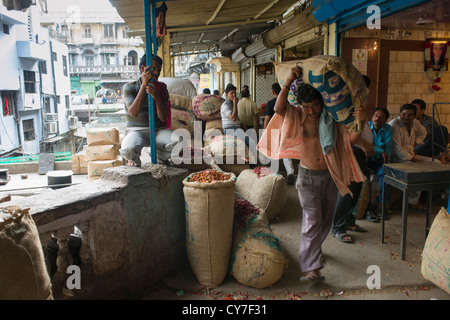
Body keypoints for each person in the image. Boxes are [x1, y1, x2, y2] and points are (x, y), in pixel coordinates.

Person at [257, 66, 366, 281]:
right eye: (307, 106)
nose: (311, 111)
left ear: (321, 103)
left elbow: (348, 142)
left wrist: (360, 121)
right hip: (306, 177)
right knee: (312, 220)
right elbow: (279, 108)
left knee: (325, 220)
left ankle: (313, 253)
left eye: (315, 105)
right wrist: (288, 79)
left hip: (330, 176)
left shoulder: (331, 118)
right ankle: (310, 267)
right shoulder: (298, 115)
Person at [120, 54, 176, 167]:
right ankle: (135, 160)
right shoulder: (129, 87)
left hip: (156, 131)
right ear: (143, 69)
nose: (156, 73)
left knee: (178, 141)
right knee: (128, 148)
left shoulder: (161, 88)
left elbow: (163, 118)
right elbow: (133, 113)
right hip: (135, 131)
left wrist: (157, 97)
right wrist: (143, 86)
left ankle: (158, 154)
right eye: (153, 69)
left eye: (158, 70)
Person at [389, 103, 429, 211]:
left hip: (412, 155)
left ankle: (420, 199)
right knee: (417, 170)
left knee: (435, 163)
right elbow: (397, 149)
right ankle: (413, 202)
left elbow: (423, 133)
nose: (406, 117)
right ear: (399, 113)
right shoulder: (394, 125)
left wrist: (416, 143)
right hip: (398, 159)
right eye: (404, 114)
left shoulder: (415, 123)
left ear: (414, 116)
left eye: (410, 115)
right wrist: (414, 159)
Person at [357, 108, 393, 222]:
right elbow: (364, 144)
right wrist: (379, 150)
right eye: (376, 115)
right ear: (372, 117)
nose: (377, 118)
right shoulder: (366, 127)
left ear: (386, 120)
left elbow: (388, 150)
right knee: (364, 176)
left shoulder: (388, 129)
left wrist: (383, 155)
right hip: (366, 158)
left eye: (381, 117)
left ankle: (380, 208)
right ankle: (367, 209)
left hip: (379, 161)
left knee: (385, 174)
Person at [264, 82, 295, 185]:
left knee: (273, 152)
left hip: (274, 130)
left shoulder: (270, 103)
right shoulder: (287, 102)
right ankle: (290, 172)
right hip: (285, 129)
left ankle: (274, 173)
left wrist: (264, 131)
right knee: (286, 152)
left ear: (273, 92)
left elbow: (267, 118)